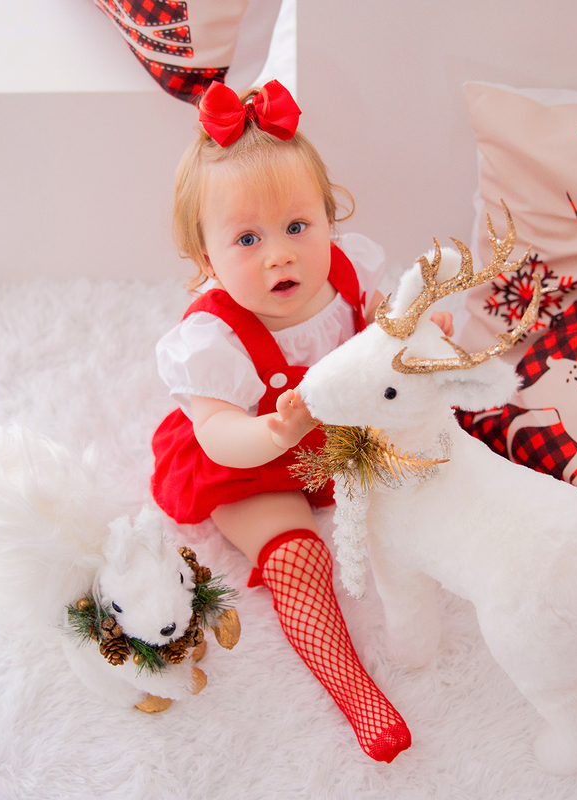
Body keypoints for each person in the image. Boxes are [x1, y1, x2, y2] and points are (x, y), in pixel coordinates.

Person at [150, 79, 450, 763]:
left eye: (297, 227)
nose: (280, 253)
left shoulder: (348, 270)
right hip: (251, 461)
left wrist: (412, 335)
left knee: (440, 467)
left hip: (341, 434)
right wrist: (274, 434)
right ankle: (353, 689)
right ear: (206, 261)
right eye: (247, 239)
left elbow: (382, 332)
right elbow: (215, 433)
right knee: (296, 556)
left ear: (330, 218)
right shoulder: (214, 339)